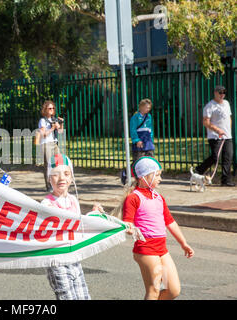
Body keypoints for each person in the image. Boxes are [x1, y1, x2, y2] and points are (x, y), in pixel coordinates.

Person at [120, 156, 194, 300]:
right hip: (146, 250)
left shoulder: (158, 197)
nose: (160, 178)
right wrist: (129, 228)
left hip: (162, 249)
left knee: (173, 290)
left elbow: (170, 222)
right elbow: (128, 221)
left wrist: (183, 243)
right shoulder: (133, 198)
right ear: (143, 177)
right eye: (157, 175)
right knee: (153, 291)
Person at [42, 153, 102, 300]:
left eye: (66, 173)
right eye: (56, 174)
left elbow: (79, 225)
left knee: (84, 297)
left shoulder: (73, 200)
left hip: (75, 259)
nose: (62, 178)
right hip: (57, 261)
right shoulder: (46, 204)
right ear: (49, 178)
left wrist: (93, 215)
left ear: (71, 177)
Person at [195, 85, 235, 187]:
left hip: (227, 136)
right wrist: (217, 130)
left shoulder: (226, 103)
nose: (222, 95)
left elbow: (229, 118)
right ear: (215, 93)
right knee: (215, 157)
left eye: (224, 92)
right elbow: (205, 122)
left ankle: (225, 180)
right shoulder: (210, 106)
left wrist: (228, 130)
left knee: (228, 157)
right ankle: (199, 170)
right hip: (215, 136)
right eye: (220, 92)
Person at [38, 100, 64, 191]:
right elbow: (43, 134)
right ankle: (49, 186)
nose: (51, 110)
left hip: (54, 143)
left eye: (53, 108)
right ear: (45, 109)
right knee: (49, 165)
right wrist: (52, 128)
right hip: (46, 144)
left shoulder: (54, 119)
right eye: (49, 108)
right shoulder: (42, 121)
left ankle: (56, 183)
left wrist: (61, 124)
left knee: (58, 163)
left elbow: (60, 132)